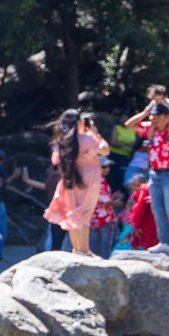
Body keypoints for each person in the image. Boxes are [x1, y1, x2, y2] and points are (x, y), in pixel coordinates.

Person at [43, 109, 108, 258]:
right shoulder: (88, 138)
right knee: (85, 214)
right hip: (89, 180)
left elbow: (55, 160)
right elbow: (105, 151)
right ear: (79, 122)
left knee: (73, 214)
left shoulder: (62, 141)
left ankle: (79, 250)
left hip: (69, 180)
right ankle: (84, 250)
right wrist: (95, 133)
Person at [128, 100, 169, 253]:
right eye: (153, 116)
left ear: (167, 117)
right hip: (155, 172)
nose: (154, 119)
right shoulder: (151, 129)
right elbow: (129, 125)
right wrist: (146, 112)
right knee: (157, 208)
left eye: (157, 116)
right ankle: (164, 241)